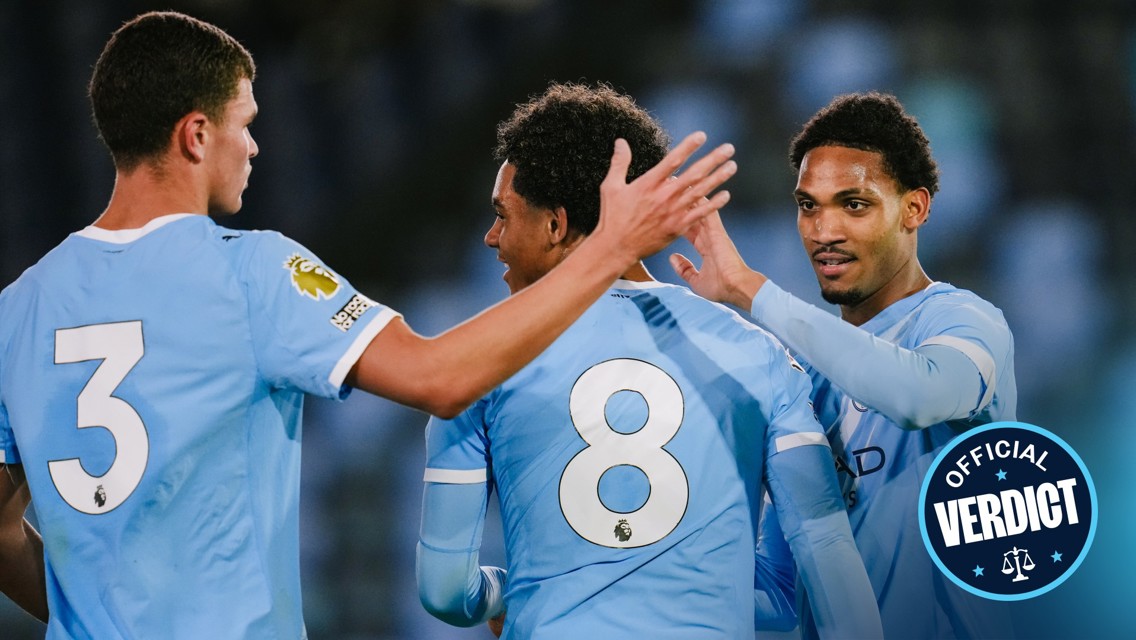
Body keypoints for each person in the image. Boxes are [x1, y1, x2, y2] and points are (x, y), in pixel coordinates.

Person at [0, 11, 737, 638]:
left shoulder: (20, 308)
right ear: (196, 135)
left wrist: (88, 615)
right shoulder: (251, 273)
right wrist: (609, 249)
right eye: (244, 125)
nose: (254, 146)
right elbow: (438, 377)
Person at [415, 82, 883, 639]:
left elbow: (444, 589)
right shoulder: (761, 358)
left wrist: (510, 591)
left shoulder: (474, 364)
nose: (492, 237)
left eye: (502, 215)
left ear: (555, 225)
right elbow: (808, 576)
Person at [671, 91, 1018, 638]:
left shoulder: (966, 323)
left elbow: (918, 397)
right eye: (809, 205)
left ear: (914, 208)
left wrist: (750, 290)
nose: (823, 231)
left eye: (853, 204)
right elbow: (782, 592)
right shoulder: (798, 375)